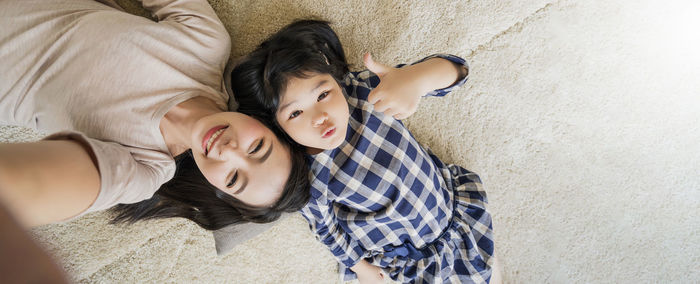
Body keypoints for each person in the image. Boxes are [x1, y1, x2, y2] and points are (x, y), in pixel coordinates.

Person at [0, 0, 309, 230]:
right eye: (257, 148)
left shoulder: (143, 170)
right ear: (265, 120)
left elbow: (42, 183)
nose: (228, 151)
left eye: (232, 178)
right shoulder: (205, 45)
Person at [230, 20, 501, 283]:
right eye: (296, 113)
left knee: (487, 270)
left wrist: (417, 79)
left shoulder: (365, 91)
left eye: (323, 94)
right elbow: (326, 230)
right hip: (408, 254)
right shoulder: (307, 176)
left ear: (336, 80)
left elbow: (458, 71)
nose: (319, 117)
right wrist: (360, 268)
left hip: (448, 207)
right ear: (277, 127)